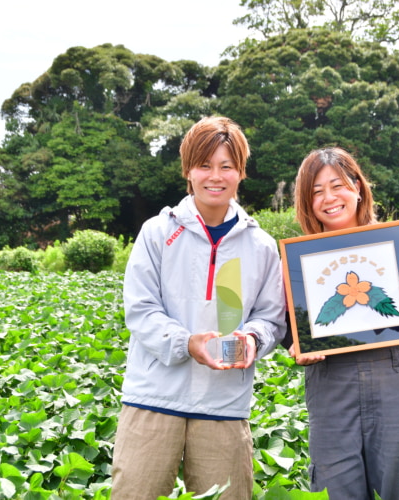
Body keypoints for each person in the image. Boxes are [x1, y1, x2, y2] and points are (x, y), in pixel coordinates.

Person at [111, 116, 286, 499]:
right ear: (188, 171)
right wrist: (188, 343)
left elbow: (272, 318)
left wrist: (255, 339)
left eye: (226, 166)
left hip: (223, 402)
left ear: (241, 173)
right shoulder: (157, 233)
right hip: (153, 398)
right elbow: (140, 309)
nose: (215, 176)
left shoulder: (262, 246)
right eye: (204, 165)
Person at [283, 146, 399, 500]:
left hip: (398, 377)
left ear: (358, 187)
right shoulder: (300, 260)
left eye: (337, 185)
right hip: (331, 383)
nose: (328, 198)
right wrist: (294, 345)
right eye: (316, 192)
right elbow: (287, 324)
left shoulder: (396, 242)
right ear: (306, 202)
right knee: (335, 487)